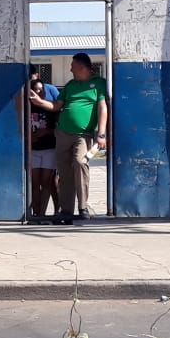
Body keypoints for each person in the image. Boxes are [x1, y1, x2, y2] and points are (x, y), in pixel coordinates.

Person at [29, 52, 107, 224]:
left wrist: (101, 134)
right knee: (64, 173)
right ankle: (66, 211)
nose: (70, 69)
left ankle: (83, 206)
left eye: (72, 66)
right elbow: (57, 105)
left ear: (81, 66)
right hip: (63, 133)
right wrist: (39, 102)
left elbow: (102, 107)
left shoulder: (99, 84)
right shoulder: (70, 85)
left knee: (80, 162)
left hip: (83, 134)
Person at [29, 79, 58, 223]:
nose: (38, 92)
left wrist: (47, 131)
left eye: (41, 90)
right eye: (35, 89)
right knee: (35, 183)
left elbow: (58, 129)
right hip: (33, 149)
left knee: (46, 183)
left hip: (49, 149)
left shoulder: (50, 107)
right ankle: (35, 215)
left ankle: (42, 214)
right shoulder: (26, 108)